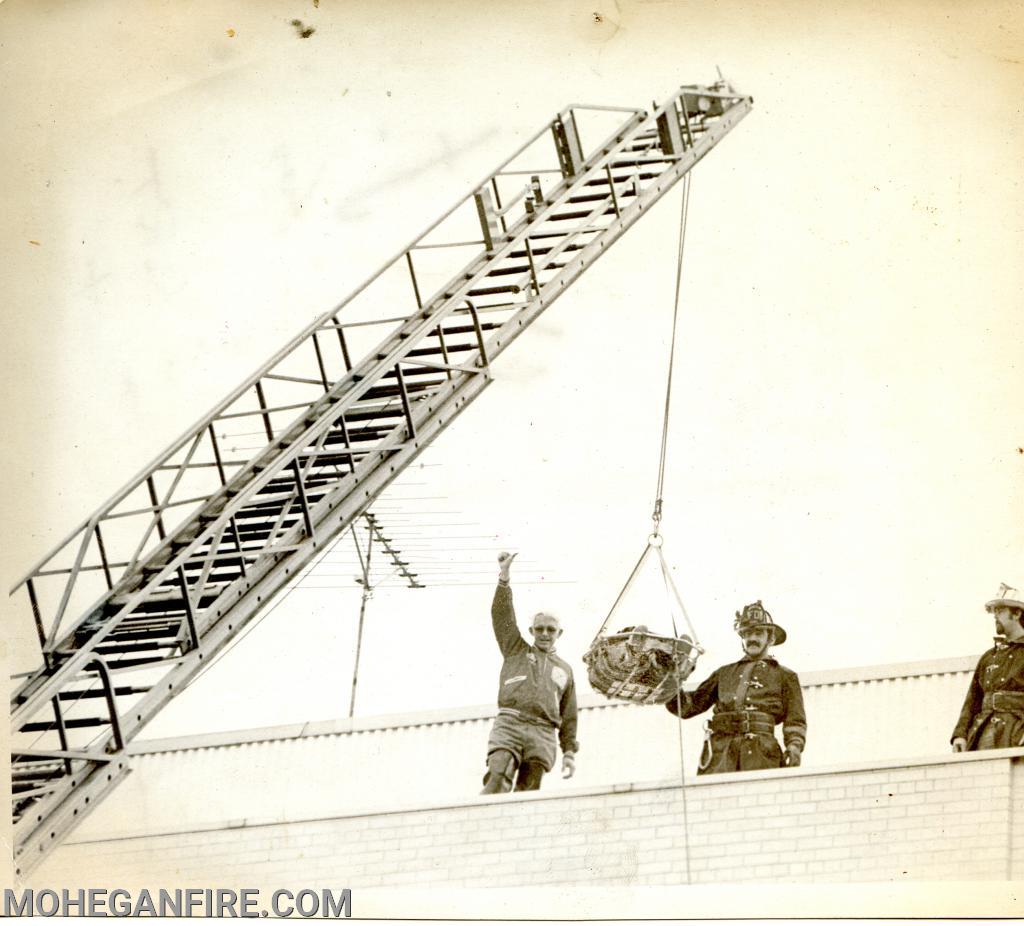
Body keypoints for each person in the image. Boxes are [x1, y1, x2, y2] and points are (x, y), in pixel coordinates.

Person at [665, 600, 806, 775]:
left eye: (758, 633)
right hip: (721, 755)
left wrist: (794, 747)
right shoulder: (723, 674)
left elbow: (795, 720)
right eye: (747, 633)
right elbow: (687, 707)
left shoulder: (785, 676)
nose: (752, 638)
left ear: (771, 638)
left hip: (762, 756)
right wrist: (671, 680)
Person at [481, 551, 579, 793]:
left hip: (543, 732)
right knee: (498, 775)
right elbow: (502, 618)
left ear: (559, 633)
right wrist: (504, 577)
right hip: (511, 723)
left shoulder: (565, 670)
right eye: (539, 629)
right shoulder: (515, 650)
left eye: (550, 629)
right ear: (532, 631)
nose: (544, 633)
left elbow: (569, 715)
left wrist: (568, 752)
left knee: (528, 790)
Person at [951, 583, 1024, 753]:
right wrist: (960, 734)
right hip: (983, 732)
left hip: (1016, 733)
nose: (995, 616)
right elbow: (973, 699)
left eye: (1000, 611)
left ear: (1017, 613)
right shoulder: (988, 657)